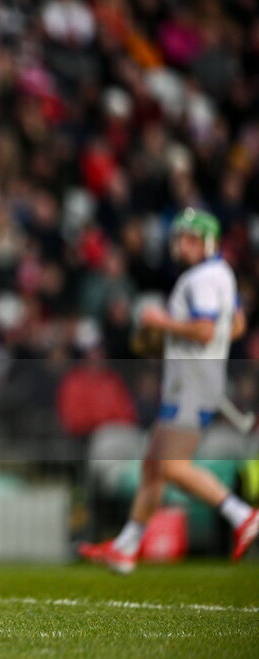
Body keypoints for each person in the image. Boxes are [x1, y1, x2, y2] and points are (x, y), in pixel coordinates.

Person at [79, 208, 257, 573]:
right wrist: (187, 343)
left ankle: (243, 515)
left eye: (192, 239)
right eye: (180, 238)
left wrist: (162, 322)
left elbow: (205, 330)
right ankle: (127, 547)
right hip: (194, 381)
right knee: (152, 467)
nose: (183, 245)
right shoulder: (221, 273)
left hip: (192, 385)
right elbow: (235, 325)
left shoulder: (201, 280)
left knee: (172, 467)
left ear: (208, 241)